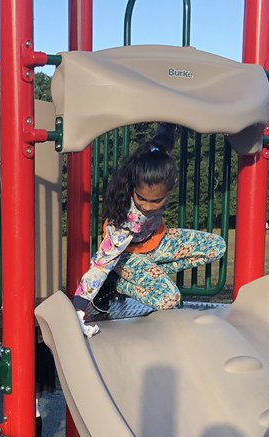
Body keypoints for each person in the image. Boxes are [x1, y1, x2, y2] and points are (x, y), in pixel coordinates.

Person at [71, 125, 226, 337]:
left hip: (155, 243)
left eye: (156, 201)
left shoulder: (160, 164)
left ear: (171, 187)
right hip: (127, 255)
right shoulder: (125, 220)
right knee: (170, 299)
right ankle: (117, 284)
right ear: (133, 187)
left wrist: (169, 125)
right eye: (141, 198)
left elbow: (163, 141)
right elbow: (102, 262)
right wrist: (79, 305)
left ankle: (147, 271)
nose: (148, 206)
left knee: (216, 246)